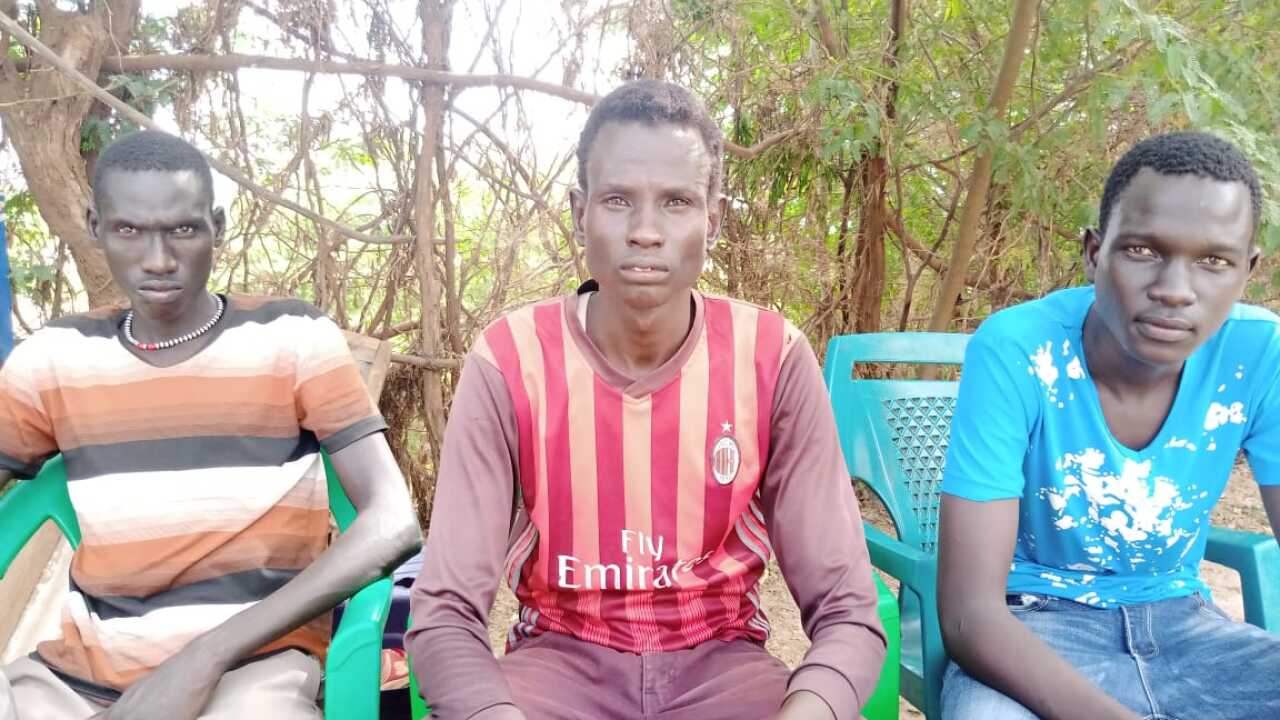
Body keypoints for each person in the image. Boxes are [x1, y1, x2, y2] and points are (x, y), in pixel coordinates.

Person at [406, 80, 886, 720]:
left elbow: (848, 606)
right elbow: (443, 613)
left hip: (723, 664)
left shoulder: (771, 356)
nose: (646, 232)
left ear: (713, 220)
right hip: (557, 663)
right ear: (580, 212)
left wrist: (812, 706)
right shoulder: (510, 359)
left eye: (677, 202)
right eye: (617, 200)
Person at [0, 130, 422, 720]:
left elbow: (393, 522)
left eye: (183, 229)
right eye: (129, 230)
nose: (158, 259)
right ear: (96, 226)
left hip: (251, 670)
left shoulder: (291, 338)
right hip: (78, 681)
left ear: (217, 227)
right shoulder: (53, 358)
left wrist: (204, 657)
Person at [936, 131, 1280, 720]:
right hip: (1034, 631)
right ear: (1096, 251)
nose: (1175, 291)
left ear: (1247, 271)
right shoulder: (1018, 349)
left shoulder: (1260, 352)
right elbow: (970, 614)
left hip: (1189, 631)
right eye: (1143, 251)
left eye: (1214, 261)